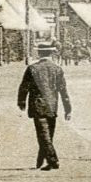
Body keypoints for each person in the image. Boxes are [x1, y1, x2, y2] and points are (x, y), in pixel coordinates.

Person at [17, 40, 71, 171]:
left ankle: (53, 160)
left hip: (38, 106)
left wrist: (21, 101)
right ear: (51, 53)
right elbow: (63, 91)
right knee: (47, 135)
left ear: (39, 53)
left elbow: (24, 87)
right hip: (52, 105)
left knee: (43, 135)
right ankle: (41, 161)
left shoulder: (32, 69)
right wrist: (68, 109)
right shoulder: (57, 69)